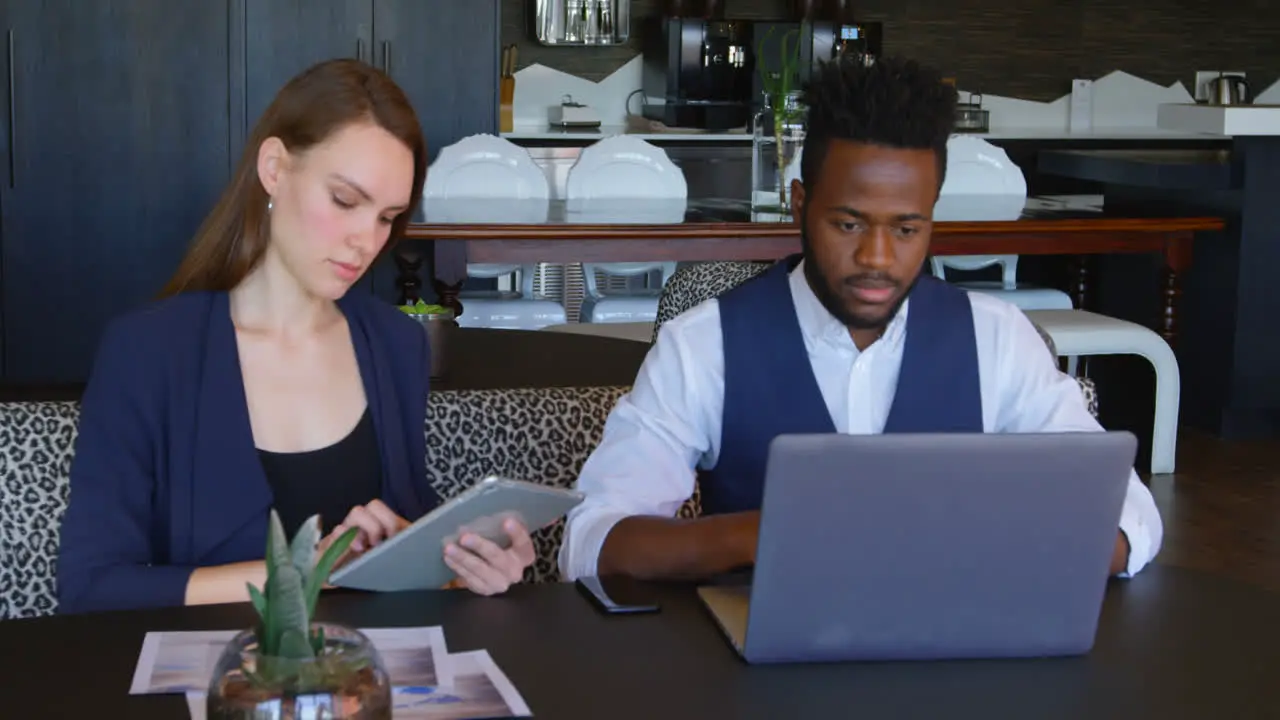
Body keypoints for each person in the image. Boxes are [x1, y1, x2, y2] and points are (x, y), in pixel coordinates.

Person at [559, 56, 1163, 583]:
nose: (877, 258)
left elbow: (1128, 517)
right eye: (848, 224)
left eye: (906, 229)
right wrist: (761, 536)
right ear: (800, 205)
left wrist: (994, 548)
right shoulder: (703, 345)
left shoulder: (997, 340)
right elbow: (592, 543)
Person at [56, 59, 534, 614]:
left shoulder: (395, 345)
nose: (367, 241)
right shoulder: (146, 354)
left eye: (387, 217)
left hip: (370, 684)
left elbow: (403, 547)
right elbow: (91, 588)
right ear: (275, 168)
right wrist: (306, 571)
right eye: (345, 201)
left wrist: (460, 568)